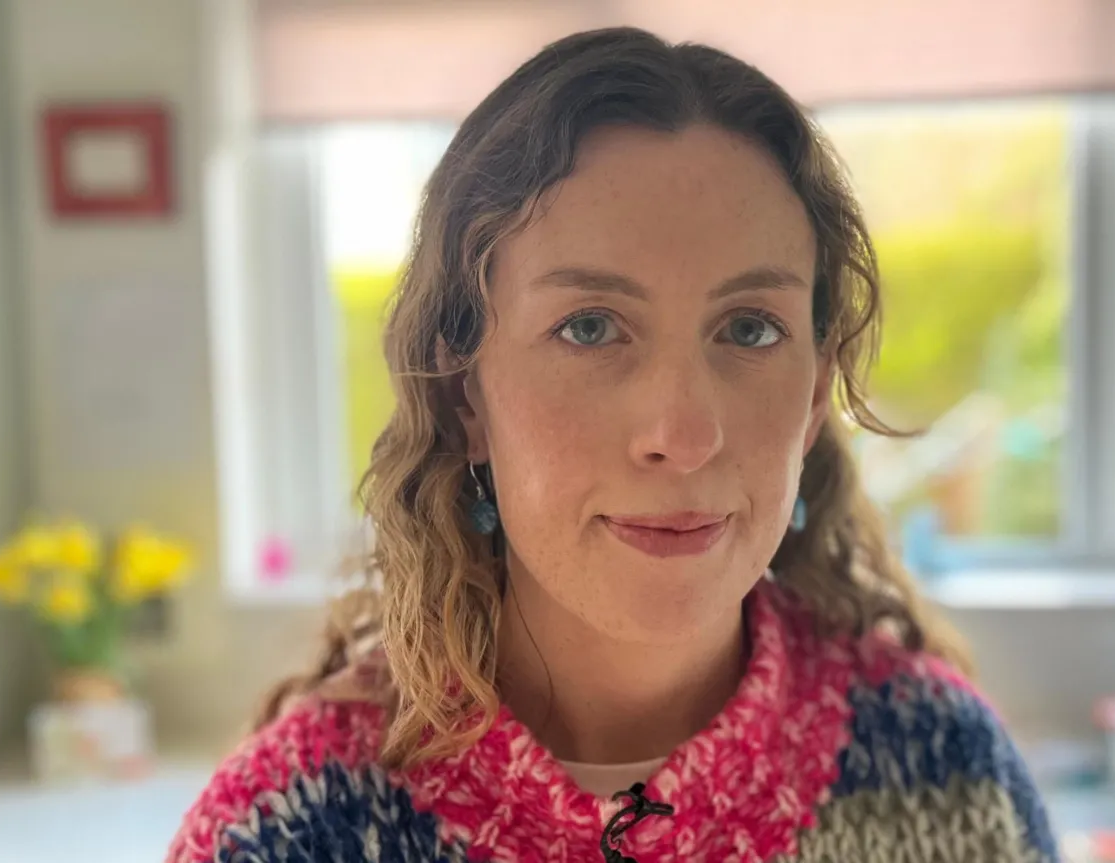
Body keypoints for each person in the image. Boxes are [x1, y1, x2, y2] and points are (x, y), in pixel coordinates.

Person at [169, 26, 1057, 863]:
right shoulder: (287, 829)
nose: (682, 434)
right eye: (591, 326)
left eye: (749, 329)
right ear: (463, 390)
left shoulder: (951, 775)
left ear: (815, 394)